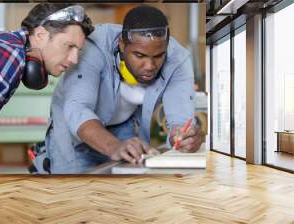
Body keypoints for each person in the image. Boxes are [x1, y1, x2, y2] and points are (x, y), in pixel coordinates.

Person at [33, 5, 204, 174]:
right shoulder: (92, 47)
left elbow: (180, 121)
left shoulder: (178, 60)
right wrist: (114, 146)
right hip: (74, 129)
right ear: (122, 45)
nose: (150, 66)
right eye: (139, 55)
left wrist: (184, 137)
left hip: (122, 124)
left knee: (125, 180)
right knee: (73, 189)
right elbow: (78, 109)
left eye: (159, 56)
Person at [0, 3, 94, 119]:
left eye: (78, 50)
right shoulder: (10, 53)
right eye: (69, 46)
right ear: (40, 35)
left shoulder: (4, 43)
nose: (74, 59)